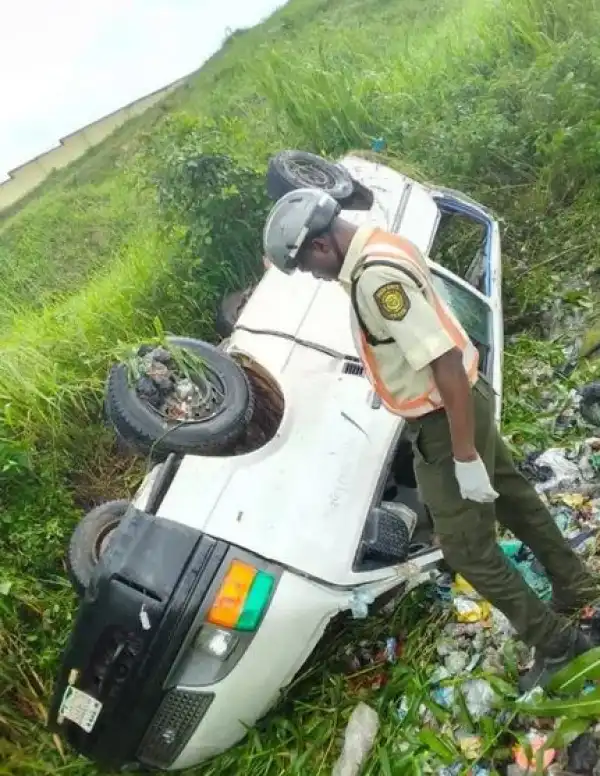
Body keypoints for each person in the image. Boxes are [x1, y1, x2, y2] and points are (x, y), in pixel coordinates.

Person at [262, 187, 599, 691]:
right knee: (516, 500)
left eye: (311, 267)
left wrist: (463, 455)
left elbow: (441, 362)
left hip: (446, 420)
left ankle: (558, 644)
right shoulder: (379, 244)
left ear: (320, 246)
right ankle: (576, 587)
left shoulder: (375, 281)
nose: (316, 276)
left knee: (467, 550)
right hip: (469, 399)